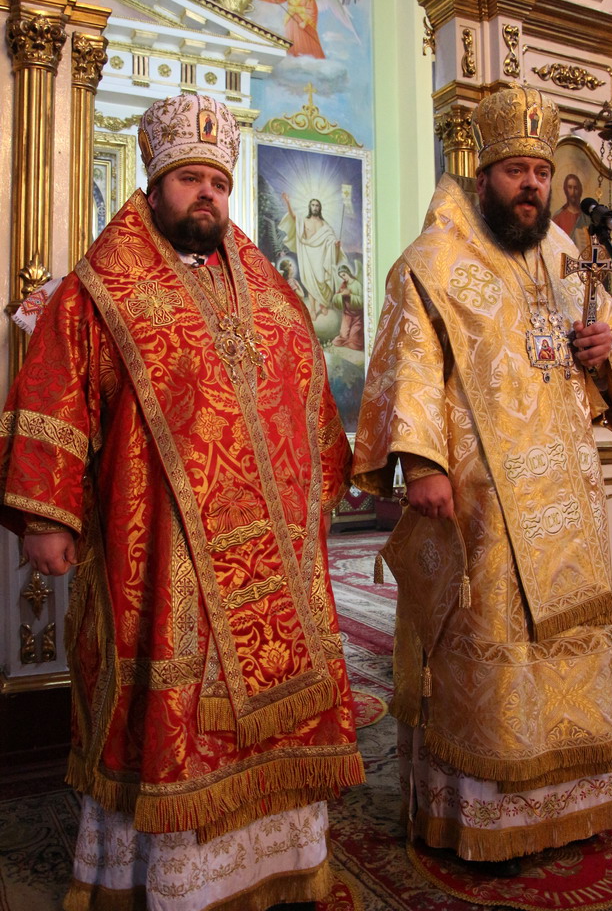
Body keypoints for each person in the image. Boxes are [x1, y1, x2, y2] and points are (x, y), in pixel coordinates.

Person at [0, 92, 364, 911]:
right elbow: (56, 393)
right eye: (191, 179)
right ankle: (167, 885)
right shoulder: (99, 290)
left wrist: (322, 486)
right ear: (155, 184)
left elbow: (309, 397)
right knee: (169, 713)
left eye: (218, 182)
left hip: (276, 555)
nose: (207, 195)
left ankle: (280, 866)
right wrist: (47, 515)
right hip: (159, 555)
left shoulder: (271, 292)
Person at [352, 85, 612, 877]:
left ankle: (568, 805)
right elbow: (410, 363)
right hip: (484, 500)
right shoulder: (435, 261)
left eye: (540, 173)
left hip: (566, 498)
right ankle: (485, 812)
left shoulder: (561, 257)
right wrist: (423, 464)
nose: (531, 187)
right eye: (516, 172)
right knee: (490, 644)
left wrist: (603, 350)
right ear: (484, 178)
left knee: (567, 644)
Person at [279, 195, 345, 319]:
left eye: (317, 205)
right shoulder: (304, 220)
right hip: (308, 255)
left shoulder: (324, 224)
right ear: (310, 207)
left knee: (322, 281)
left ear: (320, 208)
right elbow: (294, 217)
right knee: (310, 282)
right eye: (313, 205)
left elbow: (331, 239)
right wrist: (288, 202)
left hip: (321, 256)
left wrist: (335, 245)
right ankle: (313, 309)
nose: (315, 207)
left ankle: (323, 304)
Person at [254, 0, 325, 59]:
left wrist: (305, 22)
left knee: (306, 44)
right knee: (292, 44)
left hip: (303, 21)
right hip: (291, 20)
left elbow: (312, 8)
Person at [552, 172, 590, 249]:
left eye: (576, 188)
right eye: (570, 187)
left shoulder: (587, 218)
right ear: (565, 190)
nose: (573, 192)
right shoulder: (558, 217)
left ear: (580, 190)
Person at [331, 264, 364, 351]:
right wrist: (341, 295)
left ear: (348, 273)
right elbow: (335, 299)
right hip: (347, 315)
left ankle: (351, 339)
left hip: (357, 317)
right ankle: (347, 339)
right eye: (341, 276)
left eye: (344, 275)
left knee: (355, 344)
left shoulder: (357, 284)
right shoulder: (343, 285)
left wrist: (350, 295)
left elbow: (361, 301)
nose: (343, 278)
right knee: (339, 340)